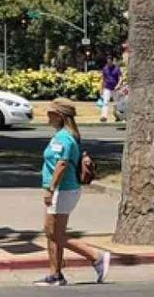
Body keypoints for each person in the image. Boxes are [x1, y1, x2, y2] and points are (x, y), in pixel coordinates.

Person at [37, 99, 111, 286]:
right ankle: (56, 275)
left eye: (50, 114)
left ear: (60, 116)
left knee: (55, 234)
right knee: (52, 232)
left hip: (62, 190)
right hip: (63, 190)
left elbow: (61, 165)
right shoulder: (66, 135)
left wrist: (51, 189)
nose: (47, 117)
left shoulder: (64, 138)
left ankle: (96, 256)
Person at [98, 56, 122, 123]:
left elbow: (120, 78)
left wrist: (118, 85)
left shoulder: (117, 68)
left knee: (117, 104)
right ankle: (104, 117)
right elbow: (103, 79)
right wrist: (101, 89)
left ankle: (119, 117)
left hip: (115, 89)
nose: (109, 63)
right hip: (107, 88)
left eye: (110, 62)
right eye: (108, 62)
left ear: (112, 61)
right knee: (105, 102)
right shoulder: (105, 68)